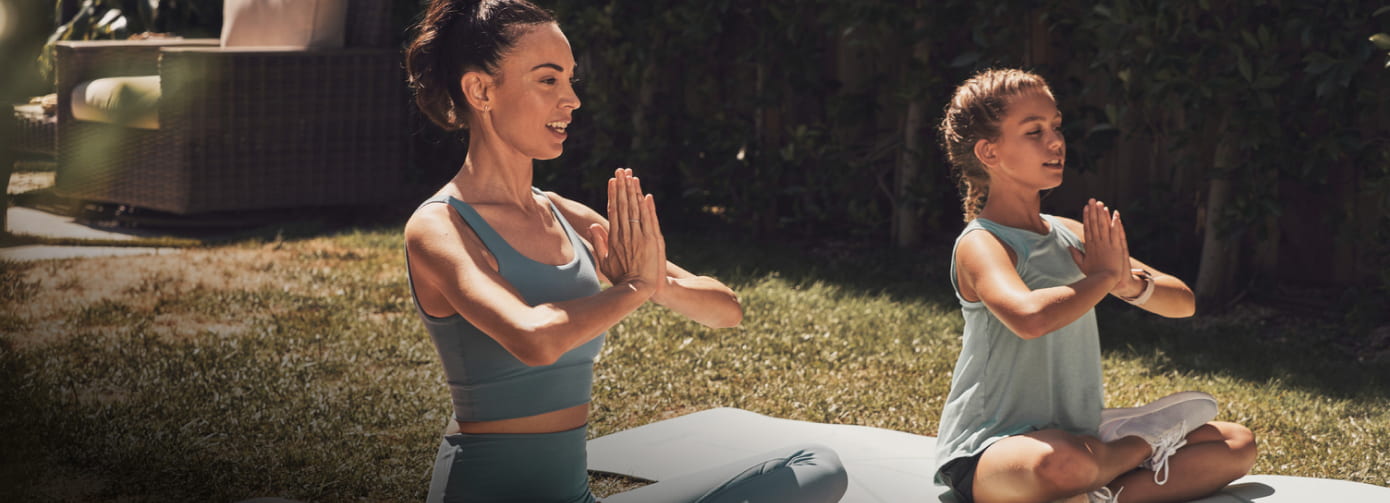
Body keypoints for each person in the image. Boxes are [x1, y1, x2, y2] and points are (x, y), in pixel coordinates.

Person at [401, 1, 848, 502]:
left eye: (571, 80)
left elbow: (726, 309)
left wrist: (656, 285)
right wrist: (634, 289)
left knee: (815, 468)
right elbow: (535, 340)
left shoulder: (568, 218)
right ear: (481, 89)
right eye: (548, 81)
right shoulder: (441, 225)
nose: (571, 99)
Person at [931, 69, 1258, 503]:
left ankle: (1092, 492)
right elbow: (1030, 318)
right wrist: (1102, 278)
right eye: (1034, 131)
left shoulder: (1069, 232)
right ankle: (1142, 440)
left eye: (1056, 127)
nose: (1056, 142)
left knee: (1236, 443)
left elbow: (1183, 302)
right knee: (1064, 463)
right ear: (989, 152)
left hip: (1078, 438)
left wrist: (1126, 283)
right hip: (991, 451)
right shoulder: (982, 243)